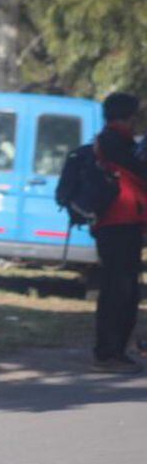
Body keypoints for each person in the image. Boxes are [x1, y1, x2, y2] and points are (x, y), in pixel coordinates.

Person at [91, 92, 147, 374]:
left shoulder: (113, 141)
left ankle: (115, 350)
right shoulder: (115, 142)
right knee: (119, 290)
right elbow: (139, 171)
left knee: (122, 289)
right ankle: (108, 352)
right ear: (128, 116)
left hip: (121, 223)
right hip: (119, 223)